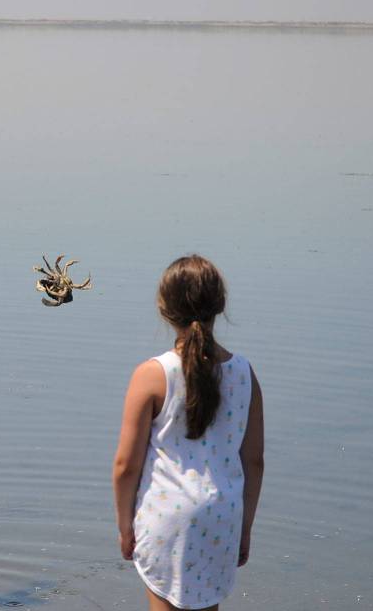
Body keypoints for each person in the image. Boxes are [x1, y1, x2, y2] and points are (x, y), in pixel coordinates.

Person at [113, 255, 264, 611]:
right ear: (220, 306)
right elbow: (254, 461)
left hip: (167, 516)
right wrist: (244, 528)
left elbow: (126, 466)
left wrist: (124, 525)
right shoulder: (244, 374)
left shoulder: (151, 375)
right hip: (222, 514)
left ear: (164, 309)